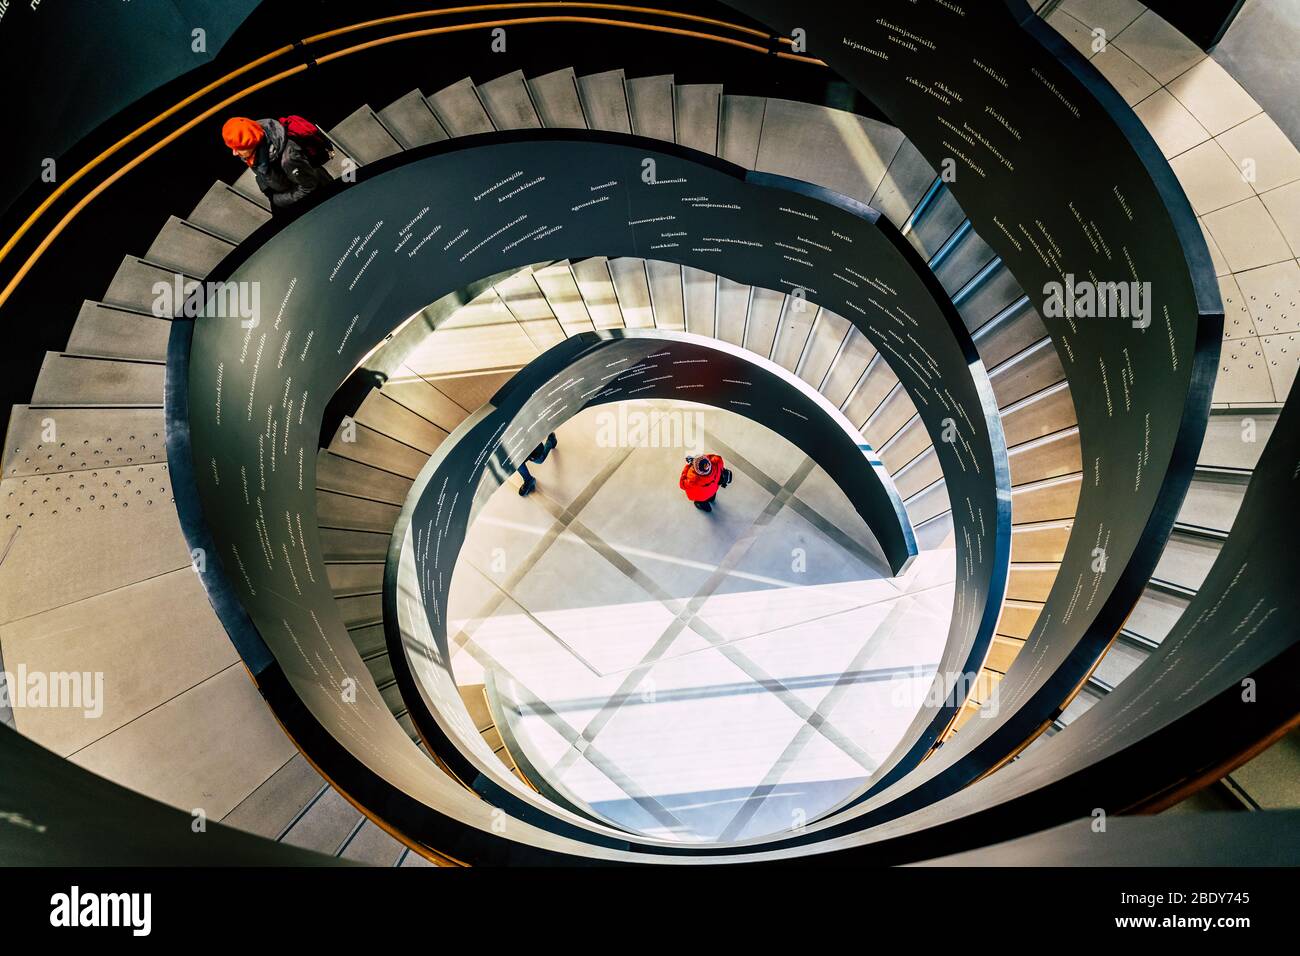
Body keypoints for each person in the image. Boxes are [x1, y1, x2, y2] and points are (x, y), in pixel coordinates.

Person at [222, 115, 334, 212]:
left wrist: (278, 200)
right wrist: (266, 189)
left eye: (238, 148)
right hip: (285, 191)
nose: (234, 153)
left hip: (314, 197)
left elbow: (309, 187)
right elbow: (262, 171)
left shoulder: (289, 158)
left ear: (252, 143)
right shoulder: (256, 143)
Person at [517, 432, 558, 497]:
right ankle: (528, 480)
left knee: (539, 459)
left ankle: (550, 442)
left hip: (528, 442)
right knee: (516, 461)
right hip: (515, 448)